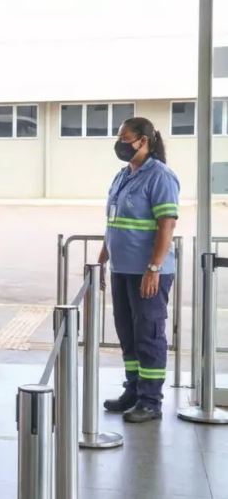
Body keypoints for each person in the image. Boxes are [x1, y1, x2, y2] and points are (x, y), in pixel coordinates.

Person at [99, 117, 179, 423]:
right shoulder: (123, 175)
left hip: (148, 271)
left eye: (125, 137)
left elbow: (166, 226)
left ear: (144, 140)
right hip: (123, 269)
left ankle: (150, 400)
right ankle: (132, 390)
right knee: (128, 333)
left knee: (148, 334)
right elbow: (114, 220)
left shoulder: (160, 176)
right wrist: (105, 254)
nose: (120, 143)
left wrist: (154, 267)